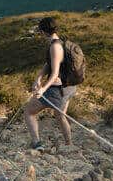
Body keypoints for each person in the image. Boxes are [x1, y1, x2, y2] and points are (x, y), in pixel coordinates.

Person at [23, 16, 78, 149]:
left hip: (58, 88)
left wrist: (42, 89)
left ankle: (37, 143)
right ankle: (69, 145)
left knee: (29, 111)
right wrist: (39, 77)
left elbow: (54, 74)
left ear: (42, 32)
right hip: (69, 86)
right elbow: (50, 64)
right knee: (59, 115)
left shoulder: (54, 47)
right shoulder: (60, 42)